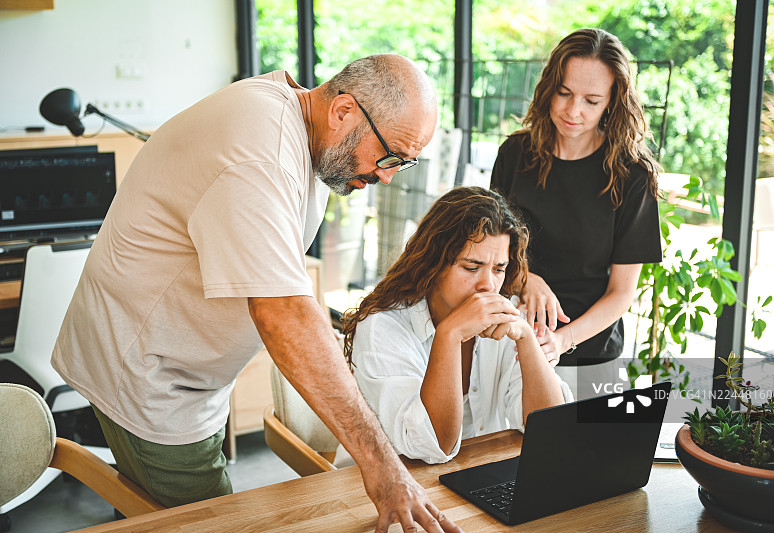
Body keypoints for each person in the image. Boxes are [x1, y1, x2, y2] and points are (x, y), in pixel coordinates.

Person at [52, 54, 461, 533]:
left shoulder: (306, 134)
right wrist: (383, 468)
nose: (387, 175)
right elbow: (282, 312)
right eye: (388, 155)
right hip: (148, 376)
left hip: (189, 376)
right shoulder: (261, 152)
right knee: (209, 523)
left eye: (403, 164)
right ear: (343, 111)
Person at [490, 28, 662, 399]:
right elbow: (489, 253)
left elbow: (621, 293)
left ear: (612, 102)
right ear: (548, 88)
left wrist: (561, 341)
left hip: (592, 356)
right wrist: (526, 278)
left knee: (584, 439)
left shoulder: (633, 176)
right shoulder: (514, 155)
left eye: (591, 100)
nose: (573, 111)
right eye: (564, 93)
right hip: (508, 342)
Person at [342, 186, 572, 464]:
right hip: (393, 479)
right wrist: (449, 335)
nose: (488, 285)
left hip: (480, 471)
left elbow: (548, 428)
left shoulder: (506, 312)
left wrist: (526, 338)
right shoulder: (382, 328)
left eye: (498, 269)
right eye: (472, 268)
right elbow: (432, 446)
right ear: (434, 264)